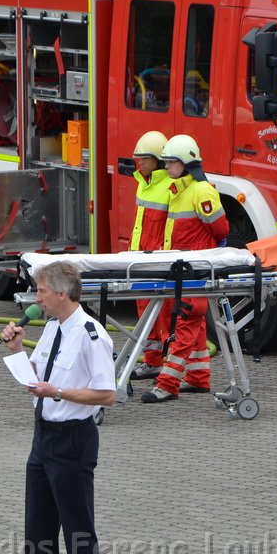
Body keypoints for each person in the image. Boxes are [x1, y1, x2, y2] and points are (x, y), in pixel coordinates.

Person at [0, 260, 115, 554]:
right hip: (42, 438)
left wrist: (59, 392)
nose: (37, 299)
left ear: (62, 294)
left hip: (72, 440)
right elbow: (37, 377)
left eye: (42, 291)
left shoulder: (92, 335)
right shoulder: (52, 328)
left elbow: (107, 394)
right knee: (37, 530)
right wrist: (16, 348)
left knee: (78, 532)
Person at [141, 134, 229, 404]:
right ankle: (198, 377)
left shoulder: (201, 192)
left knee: (186, 322)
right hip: (182, 270)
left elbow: (221, 229)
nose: (166, 167)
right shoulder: (178, 190)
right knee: (196, 323)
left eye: (170, 162)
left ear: (186, 163)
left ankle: (167, 383)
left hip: (194, 271)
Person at [126, 130, 173, 381]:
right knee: (146, 316)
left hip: (159, 261)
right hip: (140, 259)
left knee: (164, 316)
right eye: (138, 158)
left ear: (157, 159)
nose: (139, 162)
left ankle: (169, 365)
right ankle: (152, 362)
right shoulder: (144, 185)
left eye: (144, 158)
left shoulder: (169, 187)